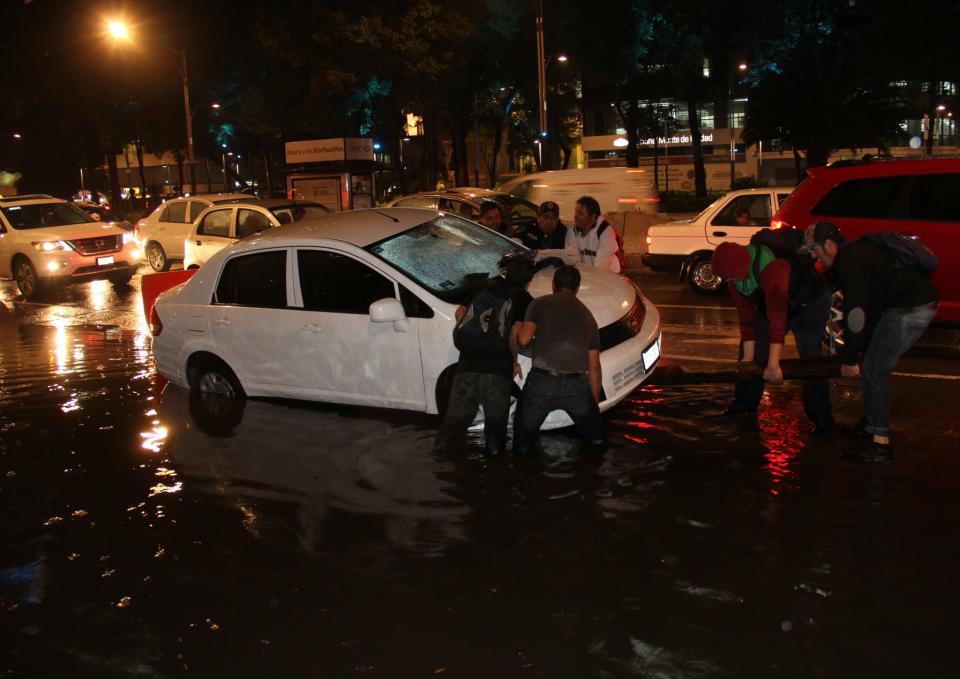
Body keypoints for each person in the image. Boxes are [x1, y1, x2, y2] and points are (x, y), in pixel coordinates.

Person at [800, 221, 938, 463]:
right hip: (902, 306)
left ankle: (881, 446)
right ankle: (869, 426)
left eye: (815, 249)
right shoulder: (855, 253)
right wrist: (861, 347)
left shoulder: (850, 260)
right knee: (872, 363)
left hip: (911, 308)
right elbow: (870, 308)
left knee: (875, 370)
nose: (814, 255)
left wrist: (850, 358)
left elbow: (856, 311)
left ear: (830, 244)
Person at [710, 240, 834, 433]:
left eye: (730, 277)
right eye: (726, 278)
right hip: (777, 302)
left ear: (740, 268)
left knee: (811, 358)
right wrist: (748, 360)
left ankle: (821, 416)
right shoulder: (734, 279)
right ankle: (744, 406)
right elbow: (747, 317)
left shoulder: (773, 268)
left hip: (810, 304)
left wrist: (773, 364)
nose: (728, 282)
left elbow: (777, 318)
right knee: (751, 351)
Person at [435, 252, 536, 456]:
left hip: (467, 367)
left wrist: (477, 339)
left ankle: (439, 464)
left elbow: (459, 313)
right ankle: (491, 480)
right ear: (528, 279)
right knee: (495, 435)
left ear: (505, 270)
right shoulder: (524, 298)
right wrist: (514, 362)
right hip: (497, 373)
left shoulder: (483, 286)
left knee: (453, 426)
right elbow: (515, 333)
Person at [513, 265, 604, 456]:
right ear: (577, 288)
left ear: (553, 285)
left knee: (522, 442)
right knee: (596, 439)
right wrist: (592, 407)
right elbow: (594, 366)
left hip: (541, 383)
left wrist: (518, 327)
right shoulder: (588, 316)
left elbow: (523, 339)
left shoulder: (539, 304)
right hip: (576, 387)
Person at [565, 195, 621, 272]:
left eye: (580, 213)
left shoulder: (605, 231)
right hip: (585, 275)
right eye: (576, 212)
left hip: (609, 275)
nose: (575, 216)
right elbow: (572, 259)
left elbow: (602, 265)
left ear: (593, 217)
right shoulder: (572, 231)